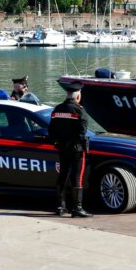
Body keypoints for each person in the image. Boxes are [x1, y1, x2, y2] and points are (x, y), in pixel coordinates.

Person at [48, 81, 92, 218]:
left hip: (62, 148)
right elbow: (82, 132)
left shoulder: (57, 109)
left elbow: (51, 130)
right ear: (78, 96)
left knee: (63, 175)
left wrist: (61, 142)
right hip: (76, 149)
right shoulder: (80, 111)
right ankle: (77, 208)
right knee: (77, 177)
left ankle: (60, 207)